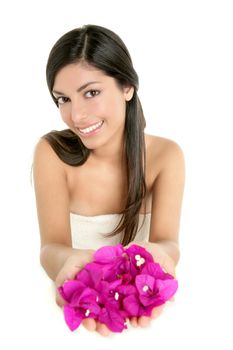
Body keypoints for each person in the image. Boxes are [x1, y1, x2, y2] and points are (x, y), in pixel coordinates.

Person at [33, 24, 185, 336]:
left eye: (91, 93)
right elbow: (51, 247)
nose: (76, 115)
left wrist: (161, 254)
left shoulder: (165, 157)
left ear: (127, 86)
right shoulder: (52, 153)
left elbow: (168, 242)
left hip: (148, 320)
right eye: (63, 99)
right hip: (67, 320)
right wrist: (68, 262)